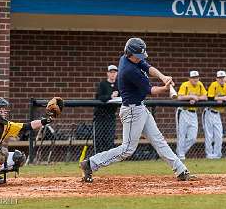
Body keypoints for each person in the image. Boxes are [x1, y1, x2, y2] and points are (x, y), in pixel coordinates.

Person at [80, 37, 195, 183]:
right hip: (132, 111)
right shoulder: (129, 70)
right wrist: (166, 88)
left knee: (158, 140)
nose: (140, 58)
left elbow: (147, 67)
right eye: (138, 56)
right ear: (130, 53)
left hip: (139, 108)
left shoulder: (126, 58)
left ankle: (181, 170)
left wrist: (162, 76)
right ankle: (90, 164)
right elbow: (151, 90)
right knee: (127, 149)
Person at [0, 97, 53, 187]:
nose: (4, 112)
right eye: (0, 109)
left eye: (4, 109)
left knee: (18, 157)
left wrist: (47, 120)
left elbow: (27, 126)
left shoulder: (5, 126)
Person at [176, 70, 207, 160]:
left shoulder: (200, 85)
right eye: (193, 78)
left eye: (196, 77)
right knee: (182, 135)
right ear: (189, 78)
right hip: (183, 112)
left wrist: (197, 98)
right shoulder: (185, 85)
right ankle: (181, 156)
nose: (195, 79)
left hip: (193, 113)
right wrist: (190, 97)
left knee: (193, 138)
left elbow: (205, 96)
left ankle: (179, 153)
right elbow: (179, 97)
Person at [202, 70, 226, 159]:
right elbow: (210, 98)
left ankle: (217, 154)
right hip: (209, 111)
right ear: (216, 78)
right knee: (209, 135)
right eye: (219, 78)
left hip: (217, 114)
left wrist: (225, 98)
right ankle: (209, 154)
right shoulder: (214, 85)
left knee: (219, 135)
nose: (221, 79)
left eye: (223, 77)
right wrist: (221, 98)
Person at [93, 65, 119, 153]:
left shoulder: (118, 84)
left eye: (114, 72)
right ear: (107, 74)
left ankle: (109, 157)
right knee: (99, 137)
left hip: (111, 115)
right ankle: (98, 155)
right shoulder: (102, 84)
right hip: (100, 115)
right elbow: (99, 97)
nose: (113, 74)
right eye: (111, 72)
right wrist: (110, 96)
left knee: (110, 137)